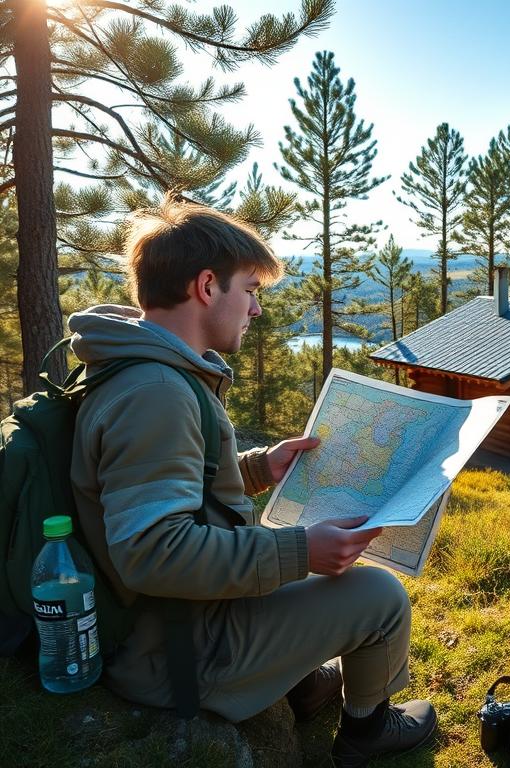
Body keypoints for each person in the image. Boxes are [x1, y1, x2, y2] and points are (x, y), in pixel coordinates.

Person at [68, 194, 436, 767]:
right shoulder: (156, 394)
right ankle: (366, 733)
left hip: (181, 621)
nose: (256, 310)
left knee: (297, 561)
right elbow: (152, 552)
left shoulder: (142, 368)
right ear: (207, 286)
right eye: (251, 290)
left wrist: (261, 467)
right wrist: (301, 551)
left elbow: (168, 488)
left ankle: (302, 683)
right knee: (381, 596)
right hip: (179, 653)